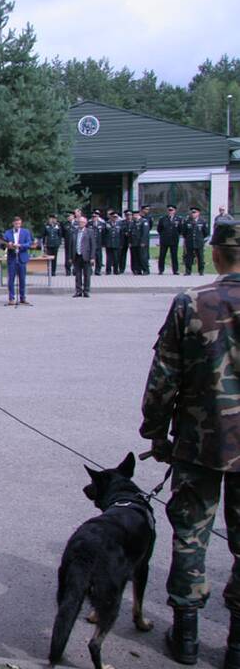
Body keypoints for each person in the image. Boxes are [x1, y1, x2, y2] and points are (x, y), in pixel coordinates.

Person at [140, 219, 240, 667]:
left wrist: (155, 432)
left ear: (215, 254)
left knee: (190, 535)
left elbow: (163, 377)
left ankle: (186, 637)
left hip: (201, 442)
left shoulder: (191, 302)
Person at [2, 216, 32, 306]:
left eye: (19, 223)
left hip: (22, 258)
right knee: (11, 279)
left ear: (21, 223)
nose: (17, 225)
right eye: (16, 224)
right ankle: (11, 298)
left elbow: (29, 243)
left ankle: (22, 298)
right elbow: (2, 244)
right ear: (13, 224)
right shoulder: (7, 233)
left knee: (22, 279)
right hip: (12, 258)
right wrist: (8, 244)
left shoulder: (26, 232)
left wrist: (20, 245)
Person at [71, 216, 98, 298]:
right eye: (79, 222)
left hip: (86, 256)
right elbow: (71, 245)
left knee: (87, 275)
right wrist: (70, 257)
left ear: (85, 223)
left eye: (82, 222)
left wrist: (92, 257)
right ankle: (78, 291)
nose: (81, 223)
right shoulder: (75, 231)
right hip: (77, 256)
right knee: (78, 275)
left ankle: (86, 291)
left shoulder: (90, 231)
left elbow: (93, 245)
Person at [183, 206, 210, 276]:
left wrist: (201, 239)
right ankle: (188, 271)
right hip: (190, 242)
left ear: (198, 213)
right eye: (192, 213)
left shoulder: (202, 221)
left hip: (199, 242)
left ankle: (201, 271)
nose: (193, 214)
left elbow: (206, 233)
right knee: (189, 257)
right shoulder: (187, 221)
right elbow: (184, 232)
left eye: (194, 212)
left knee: (200, 257)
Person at [157, 205, 183, 275]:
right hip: (164, 240)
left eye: (172, 210)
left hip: (174, 240)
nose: (170, 212)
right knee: (162, 255)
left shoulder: (178, 219)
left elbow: (180, 229)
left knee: (174, 255)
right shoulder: (162, 219)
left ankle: (175, 270)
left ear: (175, 211)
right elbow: (159, 229)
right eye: (169, 210)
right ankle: (161, 270)